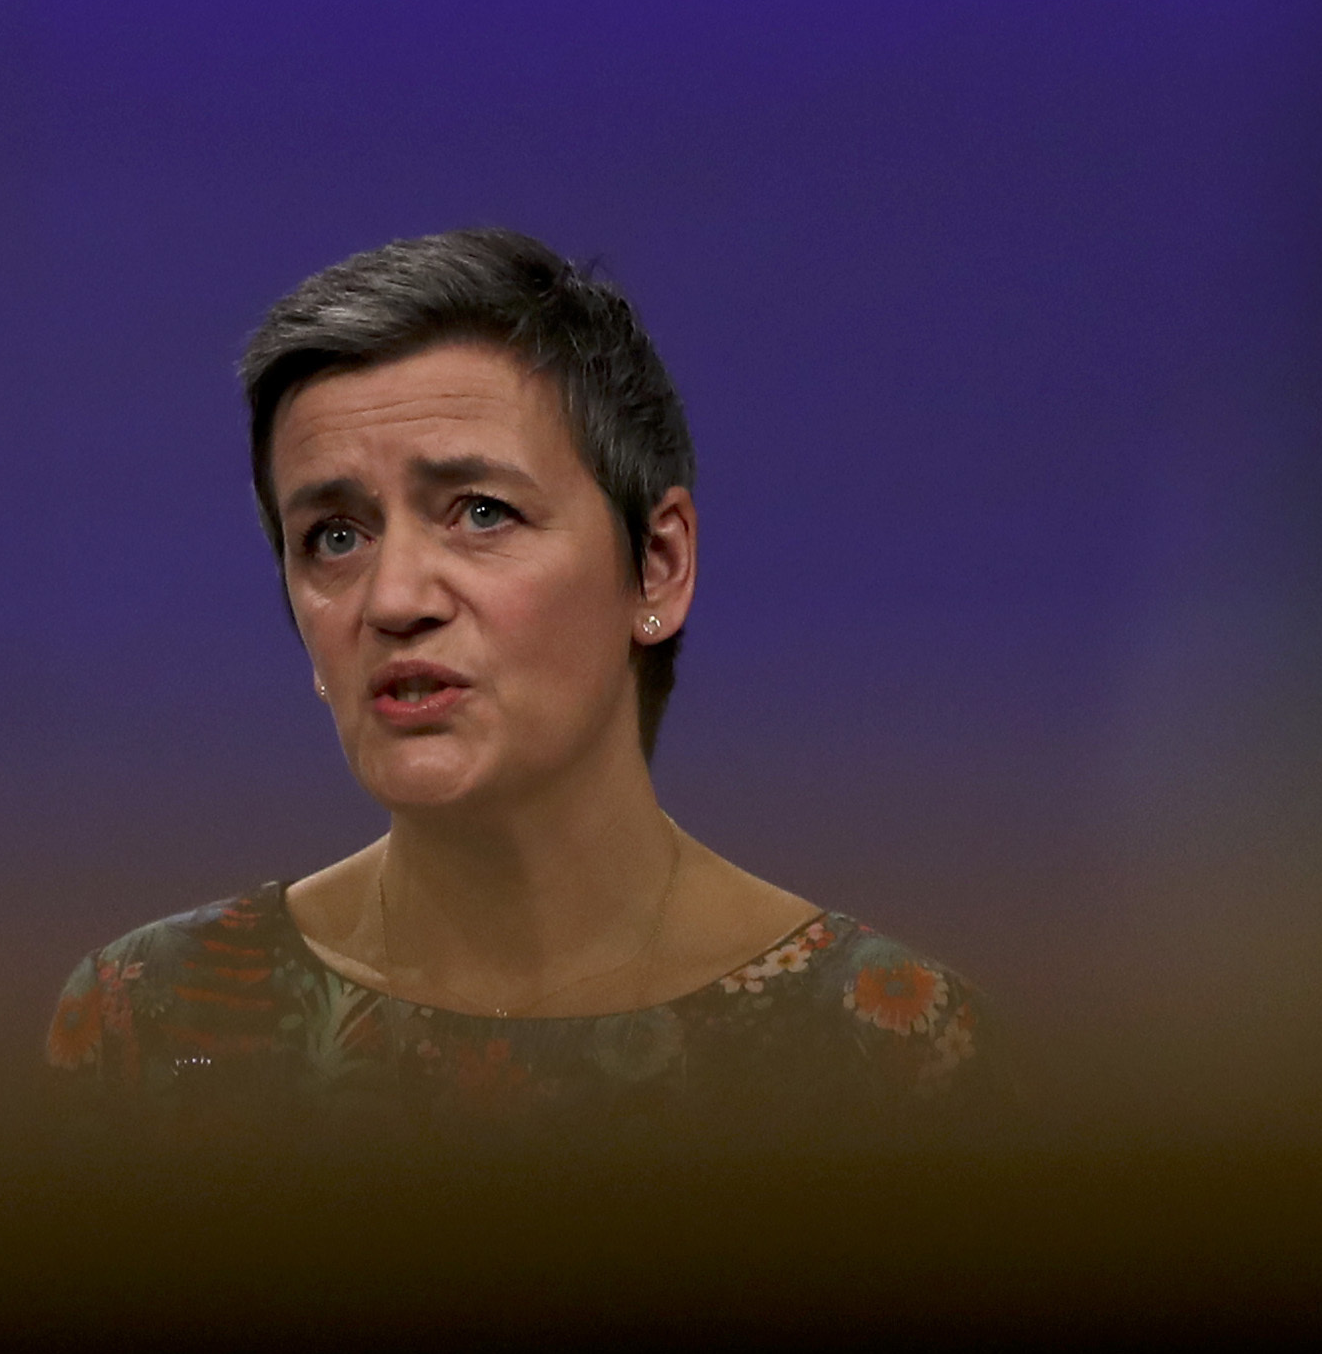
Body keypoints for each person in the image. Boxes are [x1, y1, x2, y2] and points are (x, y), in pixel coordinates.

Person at [48, 228, 982, 1132]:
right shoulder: (161, 1023)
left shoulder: (885, 1047)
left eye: (482, 512)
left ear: (656, 566)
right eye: (335, 536)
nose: (395, 599)